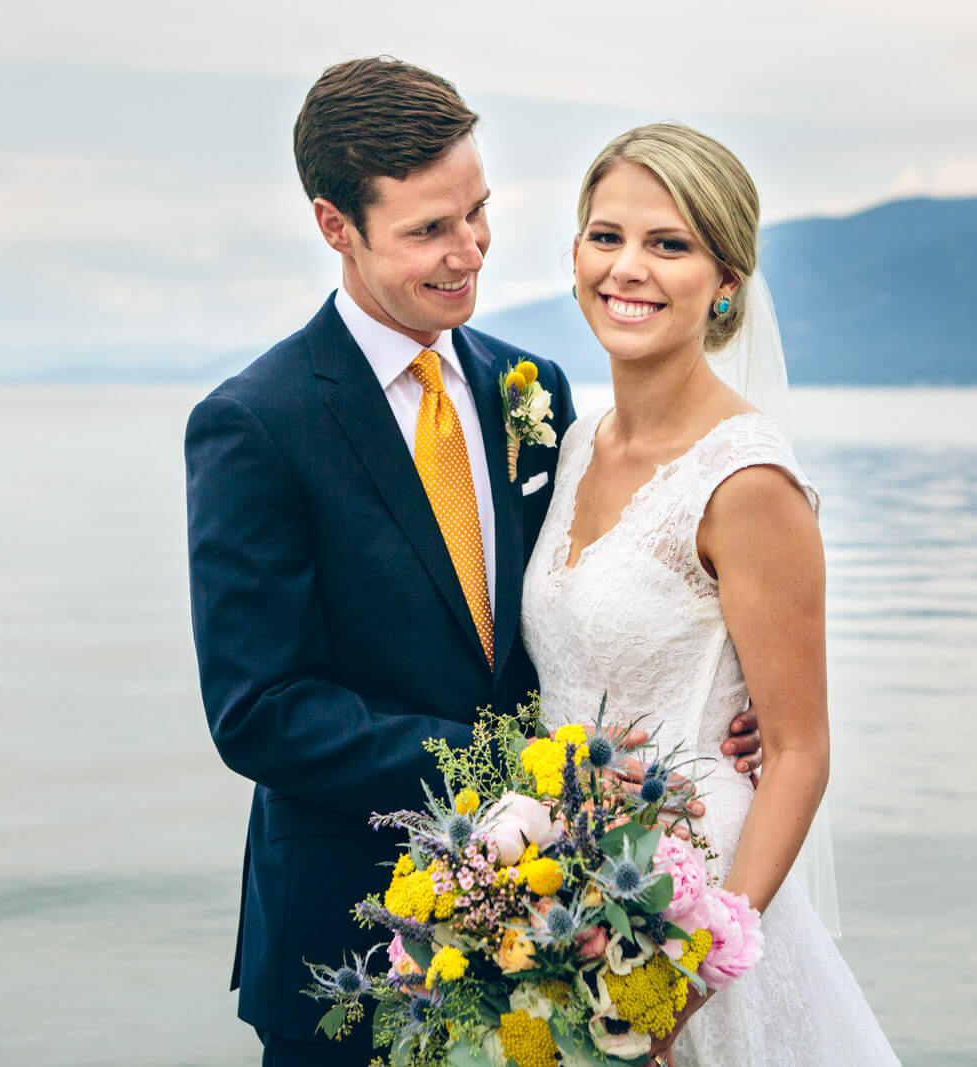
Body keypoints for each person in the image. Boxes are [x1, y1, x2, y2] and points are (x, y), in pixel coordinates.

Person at [184, 61, 762, 1065]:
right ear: (335, 226)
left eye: (478, 212)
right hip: (353, 938)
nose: (468, 253)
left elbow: (585, 597)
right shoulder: (255, 423)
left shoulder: (526, 386)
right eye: (427, 232)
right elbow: (260, 710)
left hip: (559, 938)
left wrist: (725, 697)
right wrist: (515, 776)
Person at [521, 123, 901, 1065]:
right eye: (606, 237)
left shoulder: (748, 480)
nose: (629, 269)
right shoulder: (576, 444)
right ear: (574, 256)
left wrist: (690, 970)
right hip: (555, 900)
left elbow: (801, 750)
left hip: (684, 904)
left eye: (670, 244)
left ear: (726, 281)